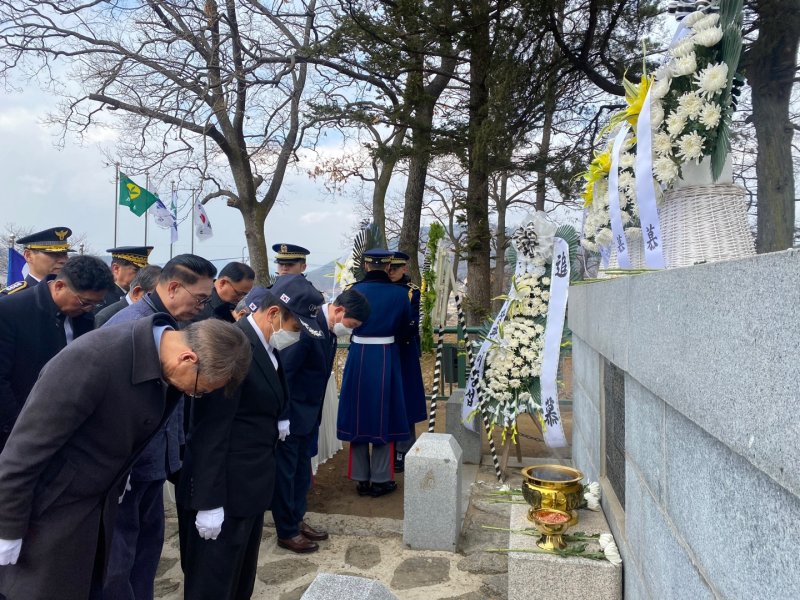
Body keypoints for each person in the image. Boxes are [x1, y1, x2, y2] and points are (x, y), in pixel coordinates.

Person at [0, 316, 251, 600]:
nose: (193, 394)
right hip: (49, 514)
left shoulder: (162, 366)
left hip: (97, 509)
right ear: (187, 358)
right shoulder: (93, 359)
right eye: (199, 388)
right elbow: (23, 451)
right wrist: (7, 526)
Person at [177, 275, 324, 598]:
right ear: (273, 314)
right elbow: (208, 431)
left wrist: (282, 416)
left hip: (250, 488)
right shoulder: (231, 346)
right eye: (295, 326)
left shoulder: (264, 345)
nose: (296, 334)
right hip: (226, 490)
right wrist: (208, 501)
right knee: (213, 583)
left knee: (239, 578)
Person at [102, 254, 217, 600]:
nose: (202, 305)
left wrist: (175, 448)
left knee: (147, 546)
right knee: (119, 554)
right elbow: (109, 406)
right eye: (199, 298)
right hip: (127, 466)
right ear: (173, 287)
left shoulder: (169, 324)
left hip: (155, 460)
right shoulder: (126, 329)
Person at [272, 288, 370, 553]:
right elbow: (286, 375)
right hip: (291, 417)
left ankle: (297, 519)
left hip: (308, 416)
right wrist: (282, 417)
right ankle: (286, 531)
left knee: (303, 472)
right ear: (339, 311)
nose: (350, 331)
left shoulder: (326, 329)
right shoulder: (307, 328)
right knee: (287, 474)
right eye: (351, 325)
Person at [0, 255, 113, 450]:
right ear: (59, 286)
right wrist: (20, 428)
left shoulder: (83, 317)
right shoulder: (10, 311)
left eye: (95, 304)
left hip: (64, 429)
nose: (89, 309)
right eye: (84, 302)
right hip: (18, 431)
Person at [337, 248, 413, 497]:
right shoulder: (401, 294)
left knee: (359, 412)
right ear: (388, 266)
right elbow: (406, 330)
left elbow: (340, 321)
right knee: (385, 415)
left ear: (367, 266)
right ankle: (381, 478)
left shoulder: (352, 291)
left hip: (359, 355)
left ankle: (360, 477)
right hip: (386, 355)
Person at [388, 251, 427, 472]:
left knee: (405, 401)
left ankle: (404, 449)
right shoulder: (381, 288)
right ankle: (388, 449)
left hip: (404, 350)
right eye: (389, 268)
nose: (391, 272)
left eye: (396, 268)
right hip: (385, 350)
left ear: (404, 269)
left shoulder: (411, 292)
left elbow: (411, 323)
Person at [0, 226, 74, 295]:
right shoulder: (12, 298)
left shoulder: (75, 293)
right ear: (28, 255)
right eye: (53, 254)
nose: (63, 260)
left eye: (64, 254)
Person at [95, 265, 162, 328]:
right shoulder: (106, 317)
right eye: (157, 296)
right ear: (137, 292)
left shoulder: (159, 317)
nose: (161, 301)